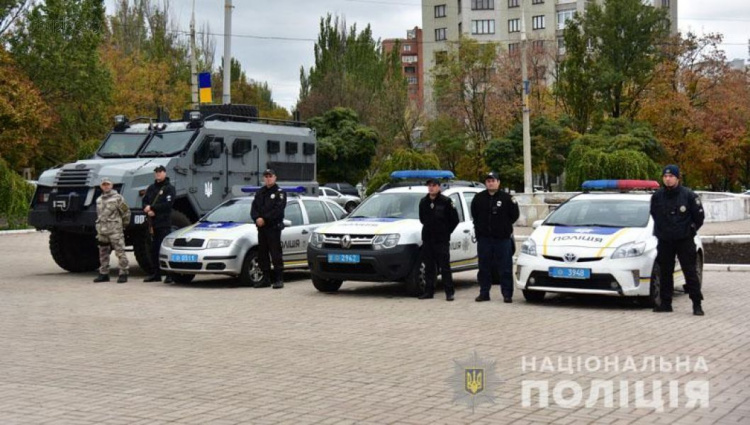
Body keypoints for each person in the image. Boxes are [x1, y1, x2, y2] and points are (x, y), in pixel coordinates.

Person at [650, 164, 705, 315]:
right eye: (665, 176)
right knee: (665, 272)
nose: (668, 179)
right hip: (665, 240)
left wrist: (689, 232)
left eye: (671, 176)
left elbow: (699, 218)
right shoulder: (657, 196)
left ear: (677, 178)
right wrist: (662, 231)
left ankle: (697, 304)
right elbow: (654, 214)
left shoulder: (688, 195)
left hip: (684, 240)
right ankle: (665, 303)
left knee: (690, 272)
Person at [471, 172, 520, 303]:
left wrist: (503, 227)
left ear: (498, 182)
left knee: (505, 268)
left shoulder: (507, 198)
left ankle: (507, 294)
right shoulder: (479, 198)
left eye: (493, 180)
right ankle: (484, 293)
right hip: (485, 239)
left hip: (502, 239)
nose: (490, 183)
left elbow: (514, 215)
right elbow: (475, 215)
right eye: (488, 181)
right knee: (484, 267)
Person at [418, 178, 460, 301]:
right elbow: (422, 219)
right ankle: (429, 291)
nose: (431, 188)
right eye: (429, 185)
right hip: (428, 238)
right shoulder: (423, 202)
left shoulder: (446, 201)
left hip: (441, 239)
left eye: (434, 185)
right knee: (429, 267)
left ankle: (449, 292)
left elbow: (454, 219)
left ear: (439, 187)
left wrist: (446, 231)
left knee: (444, 266)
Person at [250, 169, 287, 289]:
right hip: (262, 229)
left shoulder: (279, 193)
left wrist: (264, 219)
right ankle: (265, 279)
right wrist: (256, 218)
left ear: (275, 177)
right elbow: (254, 208)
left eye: (270, 176)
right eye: (266, 176)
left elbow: (277, 210)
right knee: (262, 254)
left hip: (273, 228)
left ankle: (279, 279)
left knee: (275, 253)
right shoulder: (260, 192)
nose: (268, 178)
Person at [142, 165, 176, 283]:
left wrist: (152, 208)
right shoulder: (151, 188)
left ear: (165, 173)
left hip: (163, 223)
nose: (158, 174)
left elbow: (168, 205)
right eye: (156, 172)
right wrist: (146, 208)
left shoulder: (169, 188)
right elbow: (145, 201)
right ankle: (156, 274)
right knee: (153, 249)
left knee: (164, 249)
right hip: (152, 223)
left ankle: (169, 275)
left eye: (160, 172)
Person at [93, 177, 131, 283]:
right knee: (103, 252)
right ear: (101, 186)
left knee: (120, 251)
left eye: (108, 184)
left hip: (115, 230)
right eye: (104, 184)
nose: (106, 186)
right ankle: (104, 273)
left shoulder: (118, 198)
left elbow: (126, 212)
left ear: (112, 185)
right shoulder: (99, 199)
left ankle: (123, 273)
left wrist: (123, 225)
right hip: (102, 230)